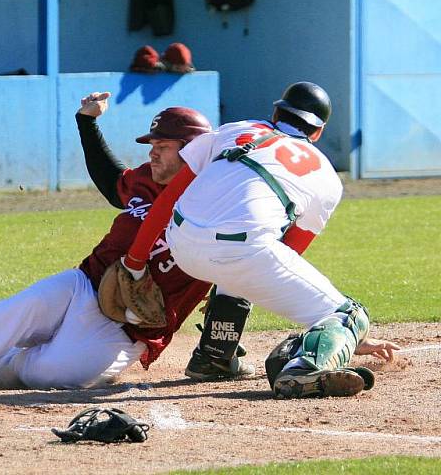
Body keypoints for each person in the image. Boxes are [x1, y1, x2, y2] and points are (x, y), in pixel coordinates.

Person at [0, 92, 251, 390]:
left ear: (191, 150)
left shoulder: (217, 204)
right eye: (151, 143)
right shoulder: (144, 179)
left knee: (47, 374)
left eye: (163, 146)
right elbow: (112, 182)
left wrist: (220, 348)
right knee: (23, 308)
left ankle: (4, 359)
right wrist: (87, 123)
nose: (152, 151)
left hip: (128, 329)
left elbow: (244, 266)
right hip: (85, 285)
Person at [121, 81, 400, 398]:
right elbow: (287, 252)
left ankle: (214, 356)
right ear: (318, 132)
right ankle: (305, 370)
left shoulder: (235, 130)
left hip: (180, 240)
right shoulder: (326, 176)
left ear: (276, 112)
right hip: (242, 249)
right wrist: (346, 334)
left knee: (244, 259)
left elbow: (169, 197)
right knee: (349, 315)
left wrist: (134, 261)